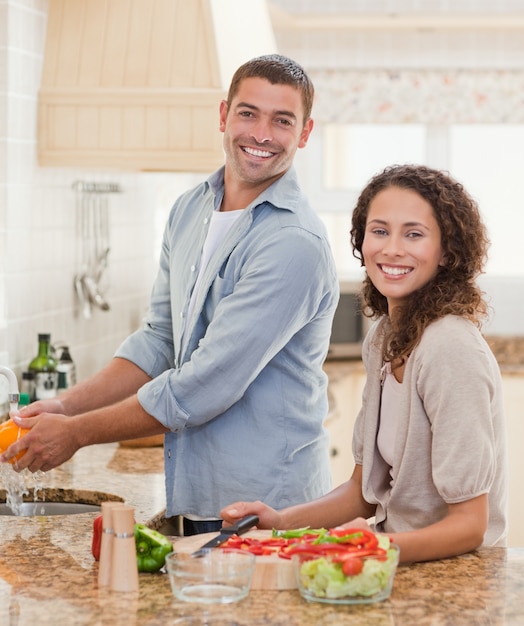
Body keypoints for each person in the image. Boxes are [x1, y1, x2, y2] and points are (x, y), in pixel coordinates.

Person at [2, 54, 339, 535]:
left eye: (282, 121)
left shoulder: (293, 244)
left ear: (304, 134)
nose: (262, 134)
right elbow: (160, 340)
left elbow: (204, 386)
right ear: (224, 116)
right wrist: (65, 406)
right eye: (248, 113)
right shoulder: (190, 209)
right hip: (194, 497)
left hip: (266, 510)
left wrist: (77, 433)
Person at [220, 164, 508, 562]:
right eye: (379, 230)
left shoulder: (449, 347)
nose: (392, 248)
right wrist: (278, 521)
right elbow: (364, 492)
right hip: (398, 565)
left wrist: (365, 548)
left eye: (414, 234)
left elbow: (469, 526)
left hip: (455, 575)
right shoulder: (384, 339)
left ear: (446, 251)